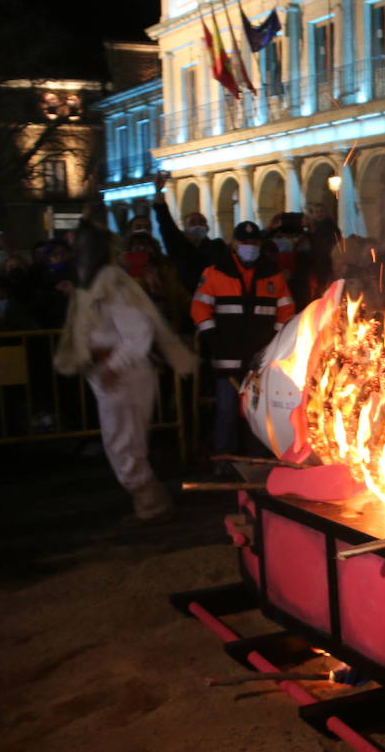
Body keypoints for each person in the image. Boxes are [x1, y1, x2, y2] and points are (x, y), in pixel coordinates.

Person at [54, 222, 197, 523]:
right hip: (110, 373)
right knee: (121, 440)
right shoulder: (95, 285)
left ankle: (151, 502)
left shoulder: (113, 284)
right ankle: (148, 501)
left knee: (124, 441)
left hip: (124, 374)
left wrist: (113, 365)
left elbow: (139, 332)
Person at [190, 221, 296, 461]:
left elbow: (286, 309)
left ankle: (256, 459)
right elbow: (199, 307)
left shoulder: (272, 273)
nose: (250, 247)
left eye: (254, 242)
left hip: (260, 358)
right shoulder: (216, 272)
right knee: (227, 410)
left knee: (257, 411)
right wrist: (212, 337)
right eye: (244, 242)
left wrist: (275, 344)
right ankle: (224, 458)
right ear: (234, 244)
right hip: (227, 354)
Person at [151, 172, 224, 295]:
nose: (197, 225)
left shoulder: (217, 247)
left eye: (201, 221)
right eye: (192, 222)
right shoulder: (178, 248)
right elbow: (166, 224)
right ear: (184, 228)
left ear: (207, 227)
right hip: (185, 300)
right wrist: (159, 193)